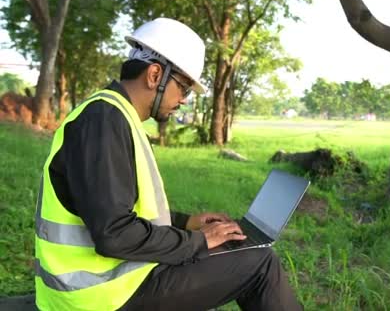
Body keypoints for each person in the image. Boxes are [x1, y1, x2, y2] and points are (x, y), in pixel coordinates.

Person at [34, 18, 302, 311]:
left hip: (113, 283)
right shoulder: (104, 121)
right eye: (184, 88)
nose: (184, 100)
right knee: (260, 264)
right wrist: (197, 241)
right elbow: (114, 235)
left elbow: (116, 208)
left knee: (233, 252)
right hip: (100, 296)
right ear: (154, 75)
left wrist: (188, 223)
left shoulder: (113, 116)